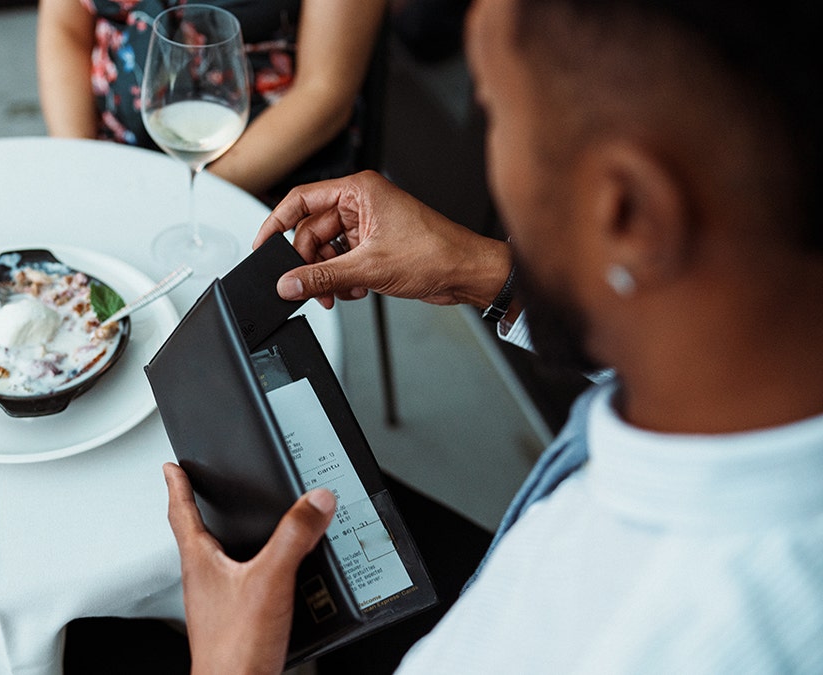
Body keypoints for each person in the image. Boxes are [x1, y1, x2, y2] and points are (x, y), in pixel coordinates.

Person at [163, 0, 823, 671]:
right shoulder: (748, 380)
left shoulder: (658, 642)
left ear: (625, 209)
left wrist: (228, 662)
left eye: (498, 115)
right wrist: (484, 273)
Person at [36, 0, 385, 199]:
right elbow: (65, 25)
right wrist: (80, 162)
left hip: (263, 172)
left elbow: (324, 90)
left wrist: (194, 198)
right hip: (109, 150)